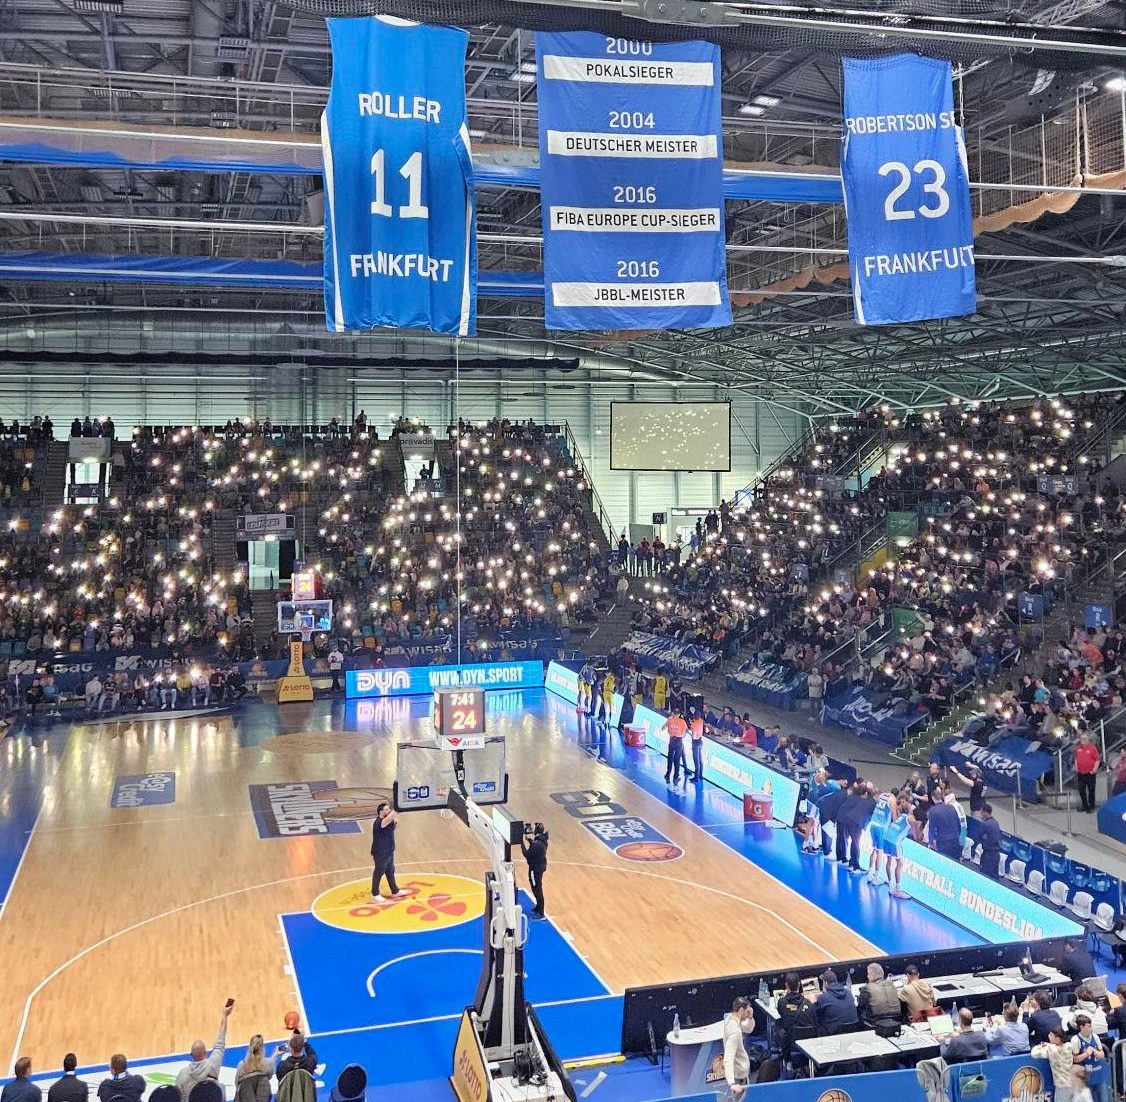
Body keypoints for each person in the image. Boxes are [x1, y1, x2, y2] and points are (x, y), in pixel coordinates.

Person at [176, 1001, 233, 1098]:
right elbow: (220, 1044)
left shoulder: (183, 1074)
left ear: (191, 1055)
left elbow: (178, 1096)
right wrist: (224, 1016)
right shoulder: (213, 1065)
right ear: (205, 1053)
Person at [776, 972, 819, 1065]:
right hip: (809, 1040)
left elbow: (781, 1012)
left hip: (790, 1041)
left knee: (777, 1024)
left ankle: (786, 1060)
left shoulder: (782, 1002)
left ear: (786, 985)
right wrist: (814, 1003)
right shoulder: (808, 1003)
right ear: (799, 984)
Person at [370, 802, 407, 903]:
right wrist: (399, 806)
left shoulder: (388, 821)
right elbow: (389, 818)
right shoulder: (379, 822)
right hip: (380, 852)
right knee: (379, 872)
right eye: (386, 809)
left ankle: (395, 891)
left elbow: (391, 827)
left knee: (390, 871)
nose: (388, 811)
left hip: (389, 851)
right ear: (380, 812)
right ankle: (375, 893)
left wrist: (395, 823)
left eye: (389, 809)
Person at [1070, 1015, 1109, 1102]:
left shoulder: (1095, 1036)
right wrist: (1086, 1054)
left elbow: (1102, 1054)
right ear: (1081, 1027)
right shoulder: (1075, 1040)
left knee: (1104, 1098)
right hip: (1086, 1076)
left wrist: (1097, 1053)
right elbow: (1075, 1059)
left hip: (1099, 1073)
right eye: (1089, 1026)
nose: (1091, 1028)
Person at [722, 996, 755, 1098]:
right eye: (747, 1011)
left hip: (740, 1075)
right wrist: (732, 1083)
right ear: (741, 1010)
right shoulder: (735, 1031)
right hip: (738, 1079)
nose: (748, 1013)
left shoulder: (731, 1019)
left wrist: (750, 1018)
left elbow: (748, 1029)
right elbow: (728, 1058)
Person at [1032, 1028, 1075, 1102]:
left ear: (1057, 1038)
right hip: (1072, 1081)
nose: (1048, 1036)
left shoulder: (1051, 1049)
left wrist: (1040, 1046)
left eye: (1051, 1035)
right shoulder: (1069, 1046)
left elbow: (1034, 1053)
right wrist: (1049, 1045)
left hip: (1062, 1084)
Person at [814, 969, 859, 1035]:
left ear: (825, 983)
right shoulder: (848, 993)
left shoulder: (823, 998)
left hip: (833, 1032)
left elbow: (817, 1014)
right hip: (853, 1029)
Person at [857, 962, 901, 1030]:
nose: (867, 976)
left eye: (868, 974)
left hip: (877, 1022)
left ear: (872, 976)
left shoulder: (867, 988)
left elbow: (861, 1003)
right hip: (897, 1020)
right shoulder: (891, 985)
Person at [925, 786, 962, 860]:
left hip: (943, 842)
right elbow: (958, 824)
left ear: (932, 797)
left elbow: (931, 829)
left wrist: (931, 843)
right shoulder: (951, 807)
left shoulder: (932, 811)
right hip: (955, 840)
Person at [521, 821, 548, 920]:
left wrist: (521, 843)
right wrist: (530, 841)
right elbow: (536, 846)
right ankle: (538, 907)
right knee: (537, 887)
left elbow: (527, 854)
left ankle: (541, 912)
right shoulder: (543, 840)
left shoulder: (536, 844)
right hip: (540, 866)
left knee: (536, 888)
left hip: (535, 868)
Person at [234, 1035, 275, 1100]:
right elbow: (269, 1076)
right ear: (262, 1048)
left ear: (250, 1047)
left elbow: (237, 1084)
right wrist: (275, 1055)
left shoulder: (241, 1065)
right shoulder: (269, 1063)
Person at [1074, 732, 1100, 812]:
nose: (1083, 740)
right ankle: (1085, 806)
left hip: (1090, 773)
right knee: (1081, 790)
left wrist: (1094, 770)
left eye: (1084, 739)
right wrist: (1076, 767)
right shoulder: (1078, 748)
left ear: (1088, 739)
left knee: (1091, 790)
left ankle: (1091, 806)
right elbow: (1076, 758)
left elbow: (1097, 760)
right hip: (1081, 773)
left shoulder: (1092, 748)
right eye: (1081, 738)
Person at [662, 709, 688, 788]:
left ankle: (667, 774)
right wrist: (682, 735)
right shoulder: (682, 721)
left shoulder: (670, 719)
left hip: (671, 740)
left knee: (670, 757)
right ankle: (676, 776)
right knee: (677, 759)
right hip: (679, 741)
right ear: (679, 714)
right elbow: (686, 731)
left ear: (673, 713)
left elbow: (663, 727)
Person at [977, 802, 1003, 879]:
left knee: (984, 876)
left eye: (981, 811)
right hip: (996, 855)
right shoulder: (996, 823)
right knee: (994, 876)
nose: (980, 813)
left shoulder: (985, 824)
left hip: (988, 855)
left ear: (985, 812)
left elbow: (978, 837)